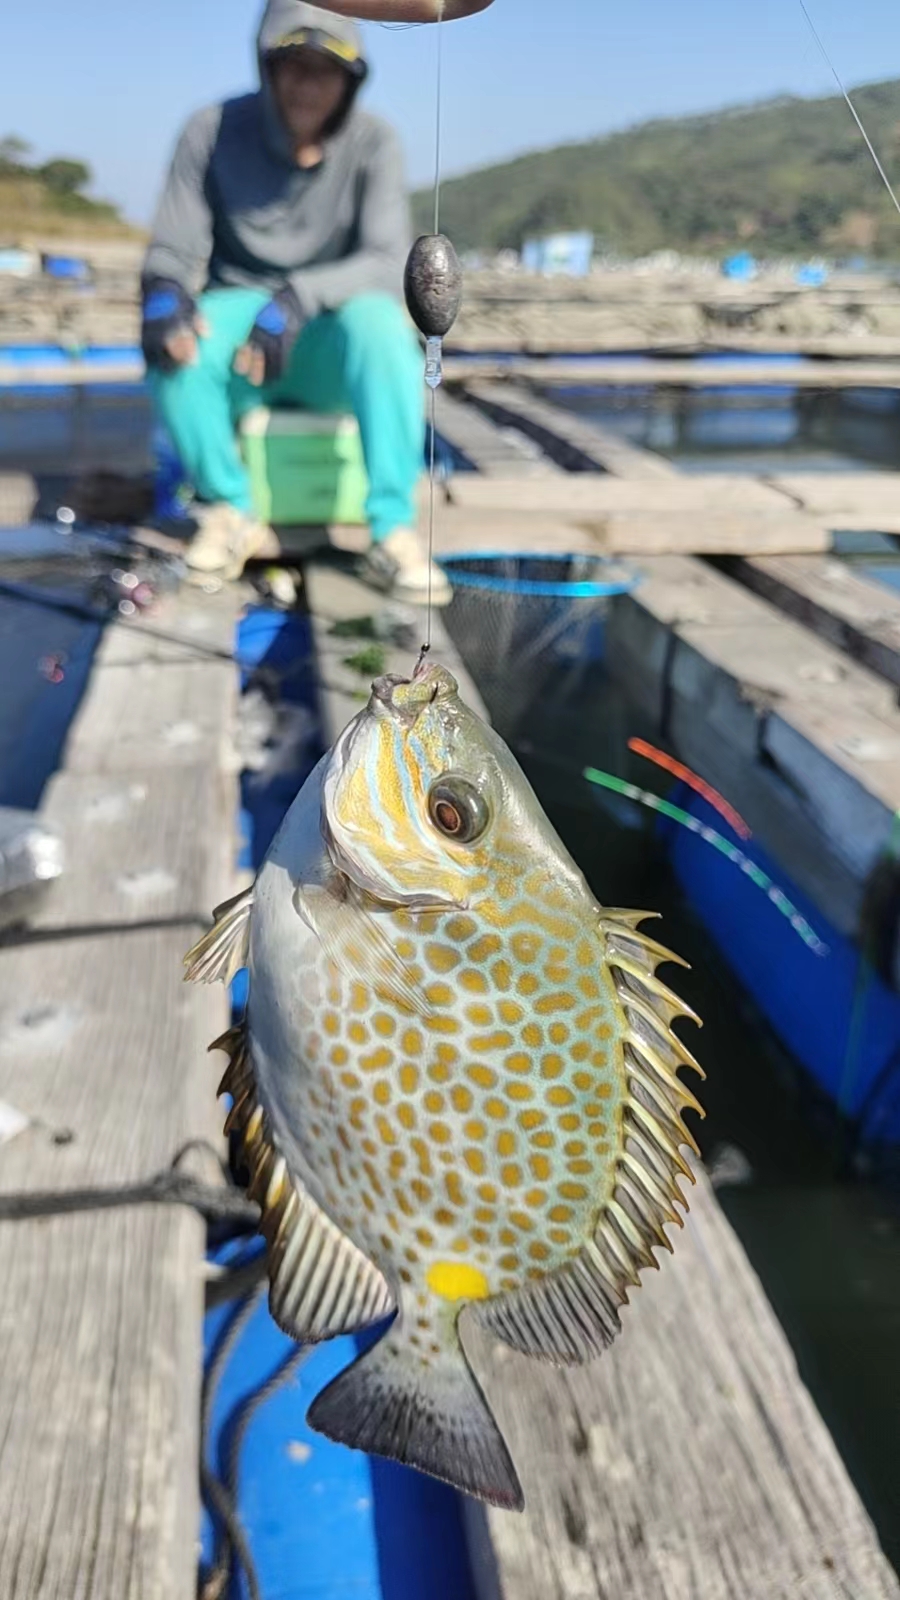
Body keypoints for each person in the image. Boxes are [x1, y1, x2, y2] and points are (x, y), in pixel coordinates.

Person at [141, 0, 450, 603]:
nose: (309, 85)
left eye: (327, 69)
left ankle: (392, 526)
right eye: (295, 66)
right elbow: (172, 252)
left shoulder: (375, 142)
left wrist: (298, 297)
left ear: (351, 77)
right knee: (175, 347)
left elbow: (388, 262)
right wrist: (162, 295)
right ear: (269, 68)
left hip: (331, 327)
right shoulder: (209, 129)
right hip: (238, 329)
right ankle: (229, 509)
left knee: (384, 327)